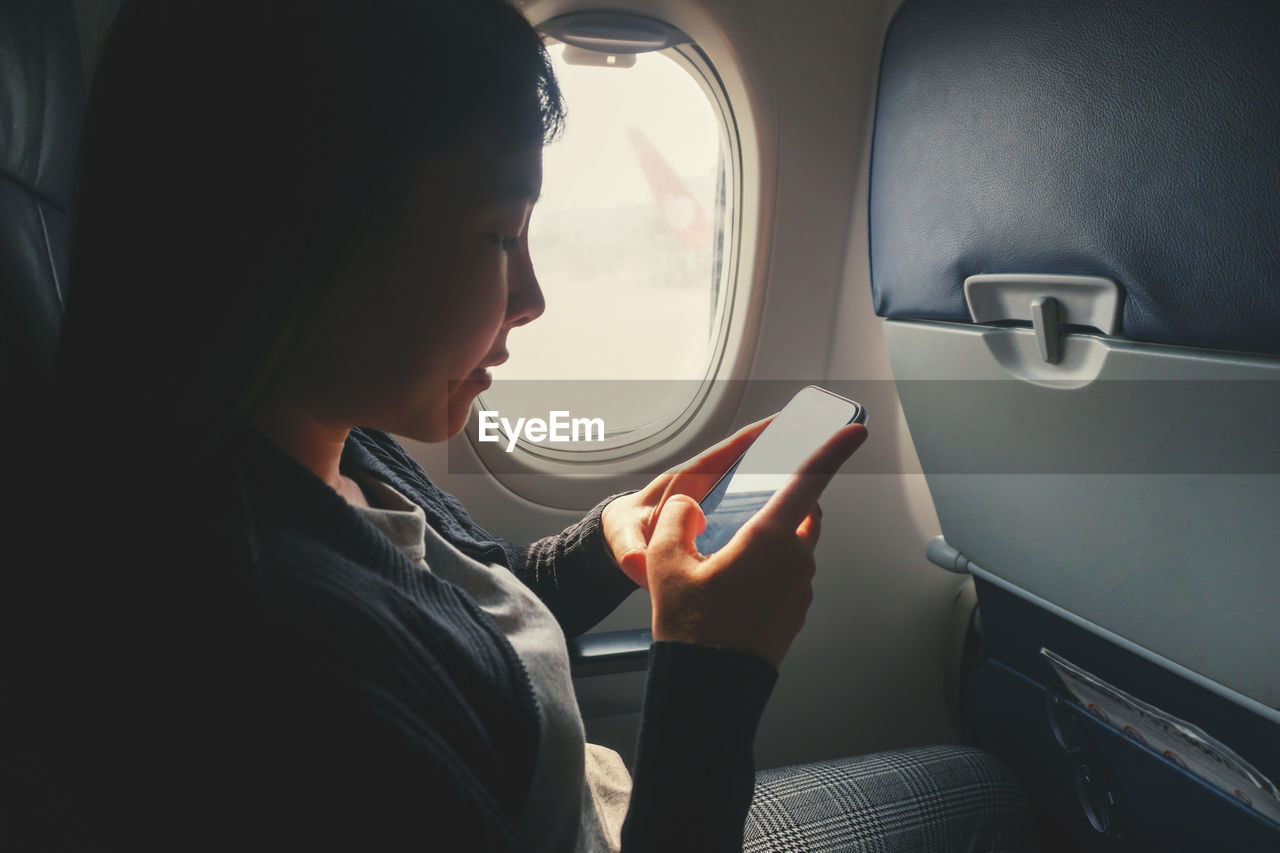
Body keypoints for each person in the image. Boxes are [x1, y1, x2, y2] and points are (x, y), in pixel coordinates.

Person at [8, 1, 1035, 850]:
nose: (532, 294)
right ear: (303, 236)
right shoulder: (259, 671)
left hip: (605, 807)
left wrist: (607, 544)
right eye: (498, 232)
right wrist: (711, 678)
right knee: (994, 801)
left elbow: (462, 613)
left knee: (984, 789)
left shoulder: (321, 441)